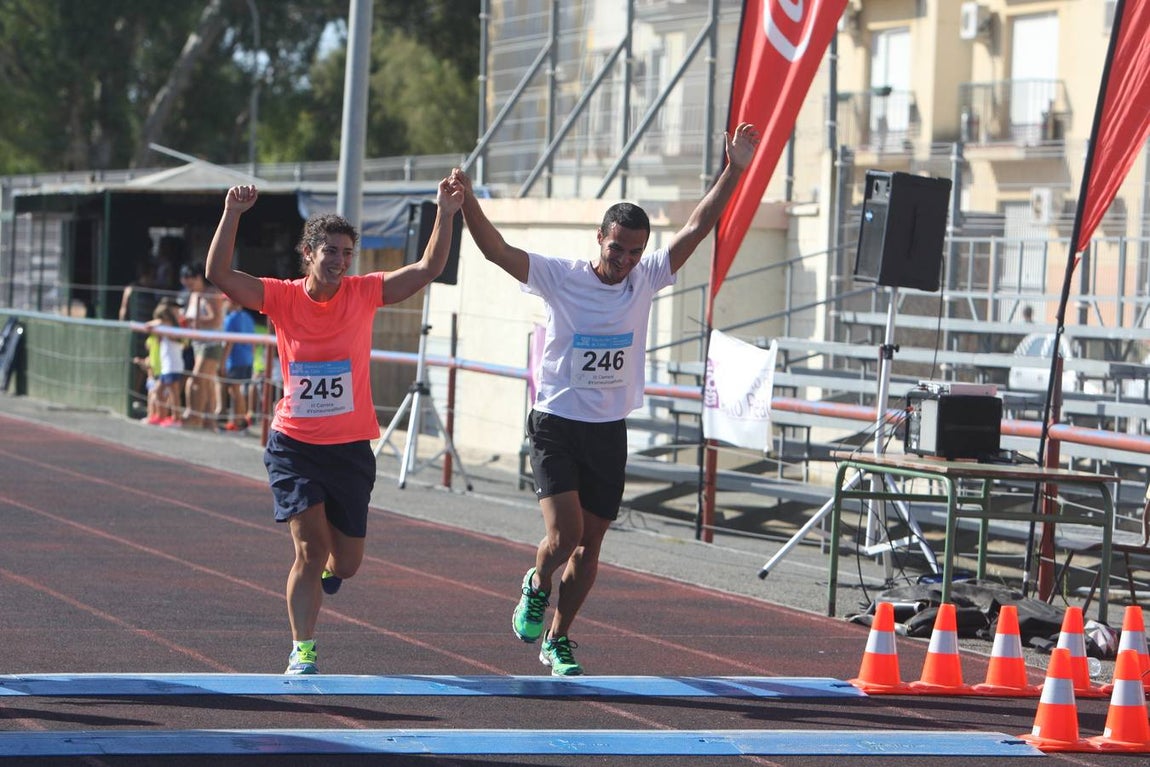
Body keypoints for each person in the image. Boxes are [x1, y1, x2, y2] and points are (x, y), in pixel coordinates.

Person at [452, 121, 761, 676]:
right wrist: (468, 201)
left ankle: (558, 639)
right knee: (563, 534)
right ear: (600, 239)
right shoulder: (560, 276)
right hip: (556, 420)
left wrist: (734, 170)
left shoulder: (645, 279)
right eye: (616, 248)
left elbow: (697, 225)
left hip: (607, 428)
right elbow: (497, 250)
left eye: (633, 252)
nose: (622, 260)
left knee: (589, 549)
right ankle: (534, 582)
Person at [205, 177, 464, 675]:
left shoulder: (364, 294)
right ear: (308, 253)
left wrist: (445, 213)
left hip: (349, 448)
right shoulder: (280, 298)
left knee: (345, 564)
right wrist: (232, 213)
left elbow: (428, 267)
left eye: (347, 253)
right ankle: (303, 650)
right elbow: (218, 273)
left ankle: (331, 573)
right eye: (330, 251)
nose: (339, 261)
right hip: (294, 446)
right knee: (310, 548)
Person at [180, 262, 225, 428]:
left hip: (211, 344)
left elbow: (216, 319)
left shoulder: (211, 293)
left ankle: (195, 416)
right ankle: (209, 421)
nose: (189, 287)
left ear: (199, 278)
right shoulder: (192, 296)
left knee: (197, 379)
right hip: (197, 343)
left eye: (191, 282)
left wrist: (195, 321)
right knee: (206, 382)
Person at [219, 295, 256, 431]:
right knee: (237, 390)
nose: (223, 304)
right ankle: (239, 419)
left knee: (235, 390)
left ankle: (239, 421)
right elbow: (253, 342)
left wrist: (222, 363)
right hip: (247, 359)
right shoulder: (248, 317)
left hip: (235, 360)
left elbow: (229, 343)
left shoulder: (231, 319)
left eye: (225, 301)